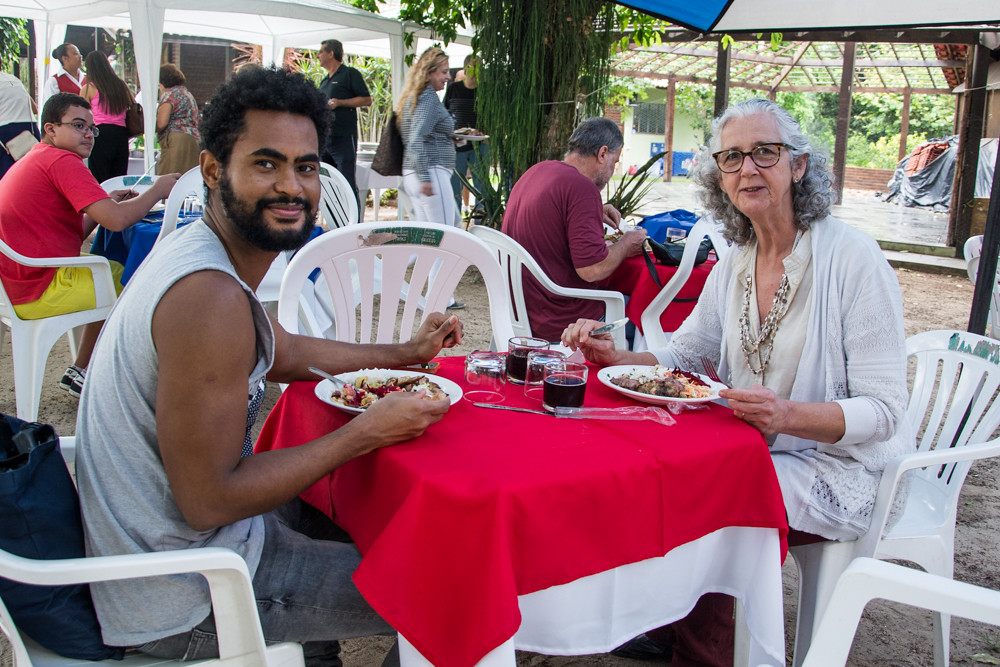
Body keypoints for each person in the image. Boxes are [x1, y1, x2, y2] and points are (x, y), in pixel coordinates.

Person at [74, 66, 463, 666]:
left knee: (343, 512)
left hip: (182, 549)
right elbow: (208, 501)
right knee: (450, 589)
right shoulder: (207, 297)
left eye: (305, 166)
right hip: (186, 596)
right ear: (212, 170)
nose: (292, 186)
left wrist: (404, 354)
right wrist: (366, 432)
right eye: (265, 163)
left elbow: (282, 348)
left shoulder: (205, 253)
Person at [563, 98, 913, 667]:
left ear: (797, 166)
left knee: (716, 496)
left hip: (838, 467)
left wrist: (788, 416)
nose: (747, 169)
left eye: (764, 153)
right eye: (731, 158)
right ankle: (666, 620)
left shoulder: (853, 260)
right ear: (719, 176)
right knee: (658, 467)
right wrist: (618, 354)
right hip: (749, 447)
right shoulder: (736, 262)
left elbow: (885, 411)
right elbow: (686, 356)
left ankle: (700, 653)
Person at [0, 93, 178, 397]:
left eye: (92, 128)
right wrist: (157, 189)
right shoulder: (62, 160)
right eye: (78, 125)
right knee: (143, 282)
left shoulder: (39, 156)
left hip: (20, 281)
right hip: (40, 287)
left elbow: (72, 232)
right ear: (51, 129)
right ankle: (136, 379)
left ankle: (81, 370)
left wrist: (104, 208)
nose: (88, 134)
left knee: (112, 269)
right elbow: (118, 222)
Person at [501, 117, 646, 342]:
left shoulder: (538, 170)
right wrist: (626, 243)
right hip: (561, 318)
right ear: (602, 154)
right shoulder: (582, 187)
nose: (612, 170)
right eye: (614, 162)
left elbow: (551, 219)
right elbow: (593, 269)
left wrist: (595, 209)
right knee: (646, 310)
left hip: (518, 309)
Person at [398, 46, 465, 309]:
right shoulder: (427, 98)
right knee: (444, 237)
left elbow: (420, 135)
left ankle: (428, 293)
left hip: (419, 172)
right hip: (430, 172)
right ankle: (439, 298)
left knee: (431, 236)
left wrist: (452, 137)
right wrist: (426, 177)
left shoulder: (416, 96)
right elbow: (416, 139)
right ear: (429, 72)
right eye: (444, 71)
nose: (448, 76)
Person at [317, 38, 370, 215]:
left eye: (321, 52)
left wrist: (340, 102)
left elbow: (366, 99)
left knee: (346, 180)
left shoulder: (349, 74)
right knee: (328, 179)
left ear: (331, 53)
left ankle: (353, 221)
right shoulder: (324, 81)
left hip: (344, 138)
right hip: (326, 139)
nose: (318, 56)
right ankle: (336, 219)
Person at [443, 54, 488, 215]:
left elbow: (492, 117)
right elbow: (445, 113)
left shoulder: (485, 91)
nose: (476, 72)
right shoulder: (454, 89)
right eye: (473, 67)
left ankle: (480, 224)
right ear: (465, 68)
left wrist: (487, 134)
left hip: (480, 145)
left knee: (481, 187)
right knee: (455, 185)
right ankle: (454, 225)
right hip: (457, 145)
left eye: (479, 68)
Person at [79, 51, 132, 184]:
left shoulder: (89, 88)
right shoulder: (121, 85)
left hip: (100, 134)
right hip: (121, 134)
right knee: (119, 177)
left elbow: (81, 113)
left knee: (100, 177)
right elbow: (132, 104)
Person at [155, 63, 201, 175]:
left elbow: (161, 123)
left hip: (176, 141)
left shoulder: (170, 95)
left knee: (169, 180)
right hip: (193, 140)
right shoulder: (186, 93)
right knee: (186, 180)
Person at [0, 71, 39, 180]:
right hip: (31, 131)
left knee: (7, 181)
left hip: (5, 135)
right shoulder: (13, 79)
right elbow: (34, 108)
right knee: (33, 176)